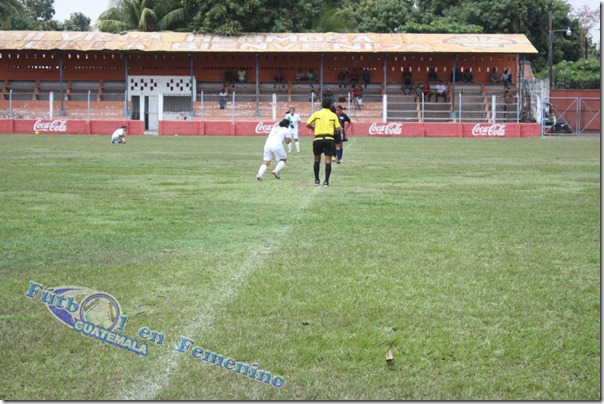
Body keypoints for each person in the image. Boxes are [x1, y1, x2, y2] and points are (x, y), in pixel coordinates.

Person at [306, 98, 341, 187]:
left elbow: (307, 124)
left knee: (317, 159)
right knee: (328, 160)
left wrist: (313, 128)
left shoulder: (316, 114)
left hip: (318, 139)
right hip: (329, 139)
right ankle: (326, 181)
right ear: (330, 106)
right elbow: (337, 129)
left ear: (321, 105)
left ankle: (317, 180)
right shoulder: (333, 115)